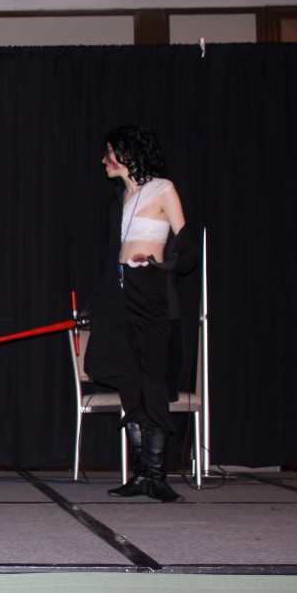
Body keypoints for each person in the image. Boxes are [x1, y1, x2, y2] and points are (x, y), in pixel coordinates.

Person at [88, 125, 196, 503]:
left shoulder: (163, 189)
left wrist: (163, 265)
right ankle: (141, 475)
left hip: (150, 289)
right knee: (130, 383)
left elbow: (186, 246)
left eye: (110, 152)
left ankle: (157, 476)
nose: (104, 159)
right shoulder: (119, 200)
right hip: (120, 294)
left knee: (152, 381)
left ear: (129, 154)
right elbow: (111, 256)